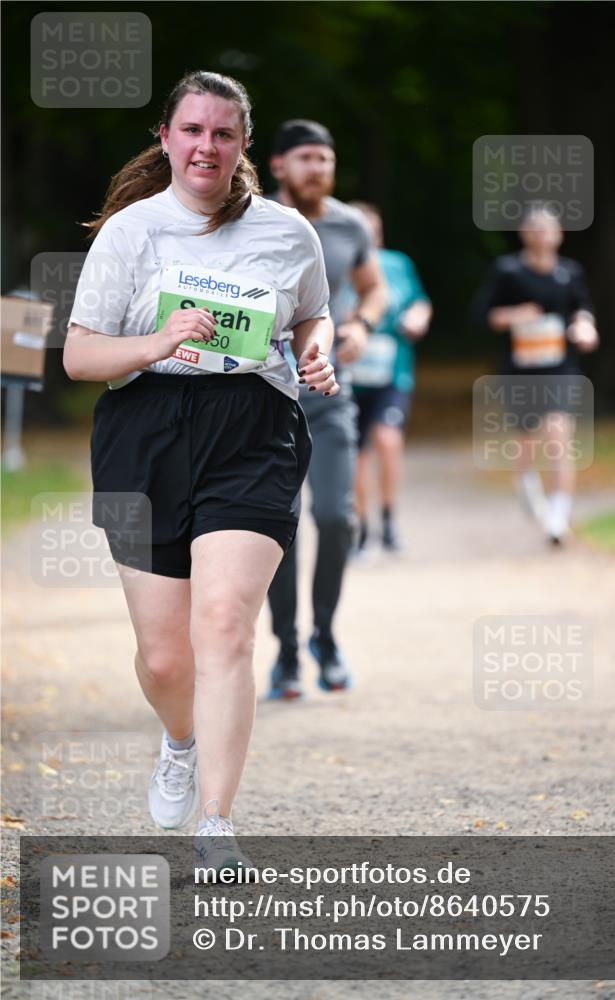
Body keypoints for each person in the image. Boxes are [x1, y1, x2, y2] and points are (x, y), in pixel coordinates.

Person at [63, 72, 338, 871]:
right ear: (165, 138)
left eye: (222, 133)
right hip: (143, 429)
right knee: (163, 658)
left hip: (252, 427)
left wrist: (316, 348)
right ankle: (178, 739)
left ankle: (215, 824)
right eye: (191, 130)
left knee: (223, 623)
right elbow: (81, 355)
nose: (205, 146)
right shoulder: (130, 233)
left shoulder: (288, 233)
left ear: (243, 144)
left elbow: (312, 313)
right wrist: (153, 342)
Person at [265, 121, 386, 699]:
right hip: (262, 402)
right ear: (278, 165)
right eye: (306, 158)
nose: (318, 169)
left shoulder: (349, 224)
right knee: (277, 529)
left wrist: (361, 323)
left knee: (337, 519)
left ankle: (325, 636)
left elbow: (373, 287)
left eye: (326, 159)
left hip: (331, 397)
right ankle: (286, 651)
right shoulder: (249, 219)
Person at [473, 206, 599, 544]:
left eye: (549, 228)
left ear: (560, 234)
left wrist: (585, 326)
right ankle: (526, 481)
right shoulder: (509, 271)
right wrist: (514, 315)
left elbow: (582, 309)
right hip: (520, 370)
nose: (542, 234)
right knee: (526, 442)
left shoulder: (570, 272)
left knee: (560, 436)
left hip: (561, 367)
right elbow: (482, 315)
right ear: (525, 234)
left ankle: (557, 520)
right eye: (535, 228)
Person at [347, 202, 432, 554]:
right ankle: (362, 529)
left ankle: (389, 520)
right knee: (357, 455)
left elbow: (420, 301)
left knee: (388, 439)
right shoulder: (334, 264)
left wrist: (417, 317)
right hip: (349, 374)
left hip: (391, 371)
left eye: (373, 230)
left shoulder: (398, 264)